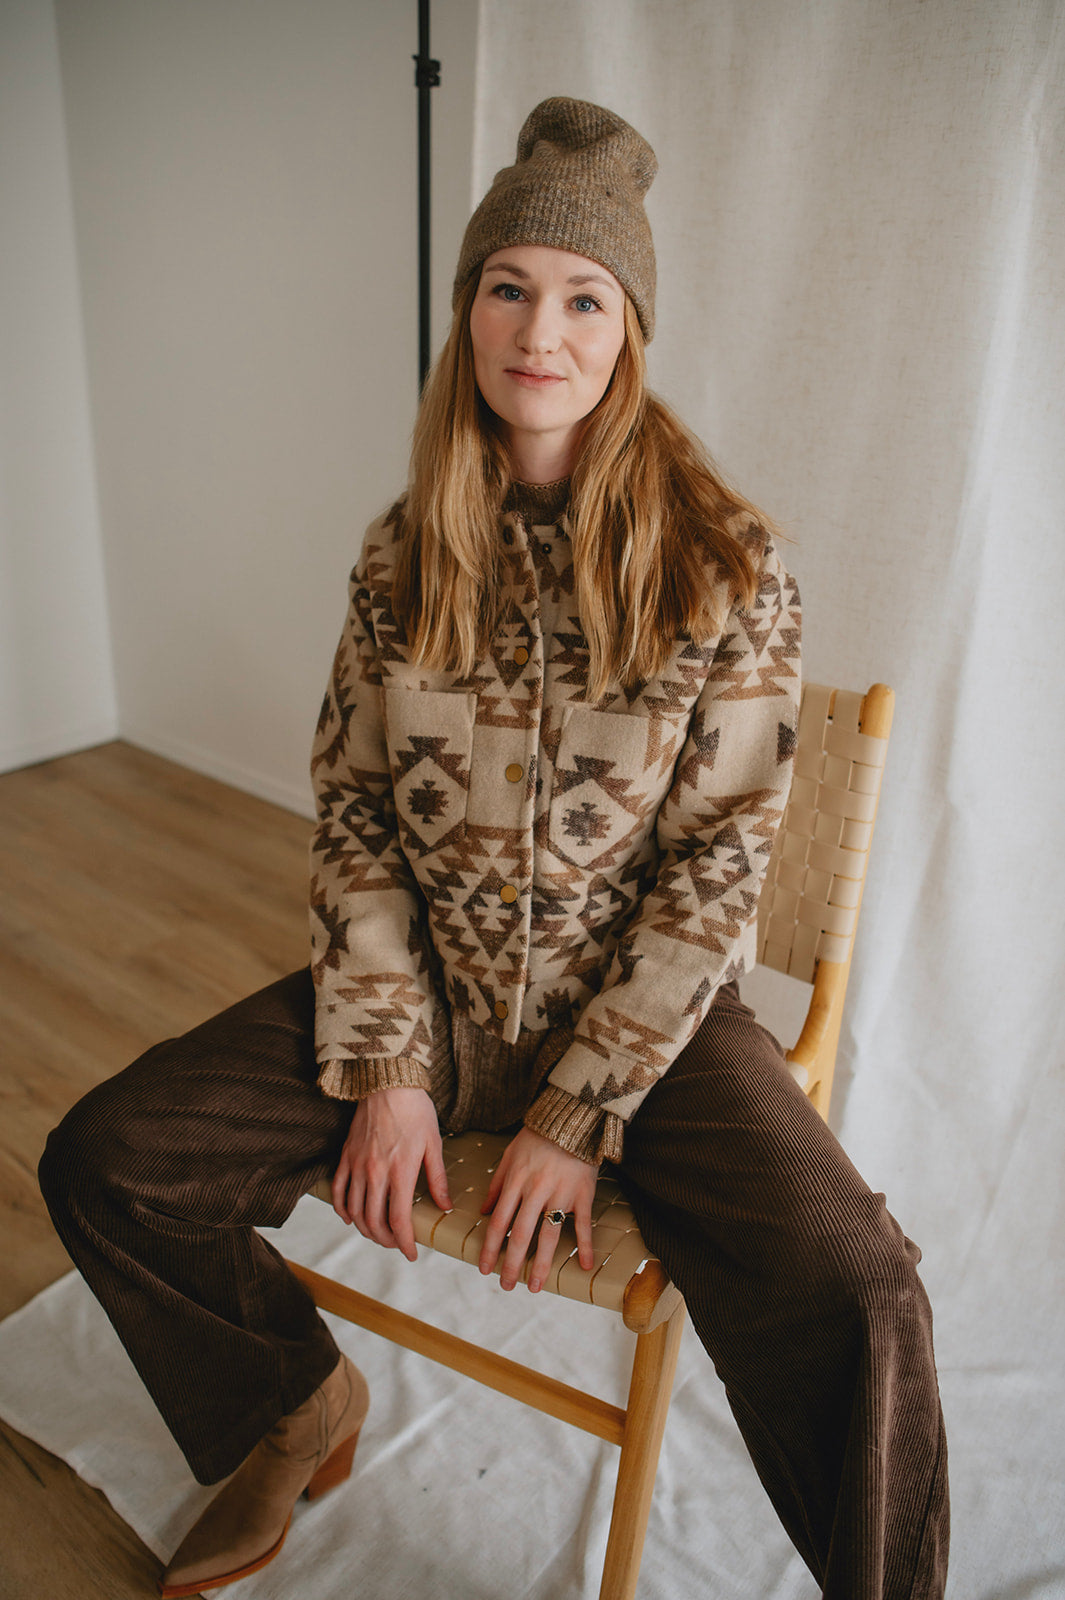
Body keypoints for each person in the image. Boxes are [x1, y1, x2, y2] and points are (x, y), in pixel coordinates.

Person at [39, 98, 948, 1599]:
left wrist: (577, 1113)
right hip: (439, 1000)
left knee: (862, 1294)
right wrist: (390, 1060)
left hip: (649, 1038)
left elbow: (718, 866)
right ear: (466, 309)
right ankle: (295, 1404)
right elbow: (355, 811)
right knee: (110, 1161)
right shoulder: (402, 552)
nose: (541, 331)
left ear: (629, 330)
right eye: (509, 286)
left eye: (585, 298)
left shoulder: (726, 565)